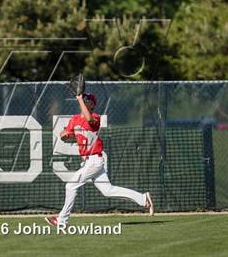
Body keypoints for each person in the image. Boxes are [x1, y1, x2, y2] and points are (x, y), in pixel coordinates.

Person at [45, 93, 154, 227]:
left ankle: (62, 220)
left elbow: (89, 120)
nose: (84, 102)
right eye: (83, 100)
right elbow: (64, 134)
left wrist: (79, 99)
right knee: (108, 190)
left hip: (94, 160)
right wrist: (65, 135)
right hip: (87, 161)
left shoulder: (95, 117)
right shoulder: (74, 119)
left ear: (92, 105)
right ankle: (143, 199)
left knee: (71, 185)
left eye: (87, 101)